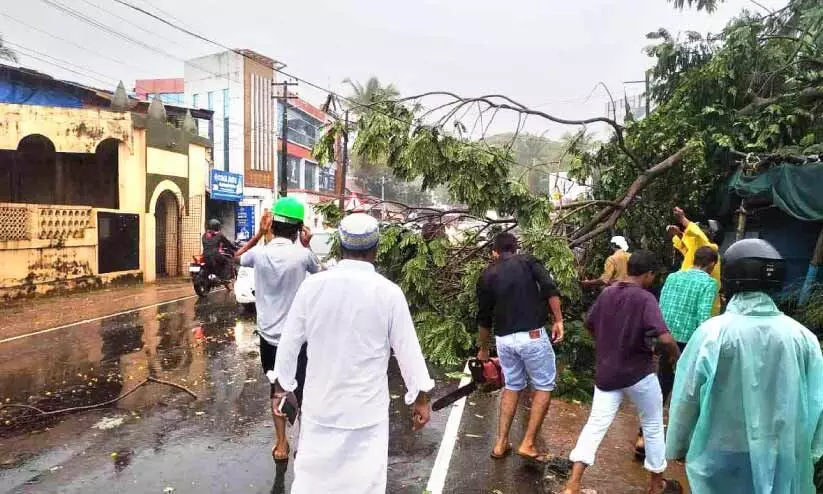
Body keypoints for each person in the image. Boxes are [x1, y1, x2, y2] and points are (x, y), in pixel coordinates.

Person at [271, 213, 434, 494]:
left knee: (313, 482)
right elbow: (408, 349)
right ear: (375, 249)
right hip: (366, 413)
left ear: (341, 246)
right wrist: (420, 398)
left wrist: (281, 387)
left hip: (321, 407)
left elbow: (289, 342)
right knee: (364, 484)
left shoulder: (312, 287)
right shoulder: (389, 292)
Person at [666, 239, 823, 493]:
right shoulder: (803, 339)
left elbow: (687, 394)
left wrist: (677, 444)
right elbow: (817, 401)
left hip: (721, 452)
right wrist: (811, 453)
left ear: (729, 278)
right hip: (780, 454)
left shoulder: (712, 334)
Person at [563, 250, 682, 494]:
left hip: (607, 373)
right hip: (639, 374)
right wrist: (675, 356)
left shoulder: (607, 293)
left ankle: (573, 484)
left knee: (595, 425)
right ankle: (656, 485)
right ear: (648, 274)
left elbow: (589, 324)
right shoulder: (645, 298)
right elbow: (666, 338)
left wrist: (607, 343)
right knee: (652, 424)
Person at [233, 196, 320, 463]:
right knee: (301, 389)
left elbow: (236, 257)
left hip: (268, 339)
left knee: (277, 388)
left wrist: (259, 233)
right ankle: (303, 443)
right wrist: (307, 244)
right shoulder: (303, 255)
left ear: (272, 225)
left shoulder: (259, 253)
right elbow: (320, 274)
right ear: (299, 229)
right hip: (298, 339)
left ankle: (281, 444)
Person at [476, 232, 564, 464]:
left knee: (512, 385)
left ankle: (501, 443)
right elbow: (550, 288)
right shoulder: (528, 261)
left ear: (494, 252)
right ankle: (528, 443)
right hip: (532, 336)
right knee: (543, 385)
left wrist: (483, 349)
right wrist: (558, 320)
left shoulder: (486, 275)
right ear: (515, 248)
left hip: (504, 340)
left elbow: (483, 318)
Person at [634, 246, 719, 458]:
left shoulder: (673, 277)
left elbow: (661, 306)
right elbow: (703, 317)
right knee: (688, 391)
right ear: (711, 264)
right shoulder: (708, 283)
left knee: (662, 386)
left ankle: (643, 437)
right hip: (689, 343)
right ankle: (680, 443)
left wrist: (658, 337)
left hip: (666, 338)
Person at [667, 207, 722, 314]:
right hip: (693, 301)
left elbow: (698, 236)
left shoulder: (710, 249)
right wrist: (678, 234)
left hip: (702, 305)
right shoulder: (698, 251)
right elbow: (686, 247)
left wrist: (683, 219)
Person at [202, 219, 237, 284]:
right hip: (215, 256)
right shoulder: (219, 235)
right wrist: (236, 249)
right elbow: (228, 243)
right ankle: (225, 278)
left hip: (205, 256)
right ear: (217, 227)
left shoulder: (204, 235)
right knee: (228, 261)